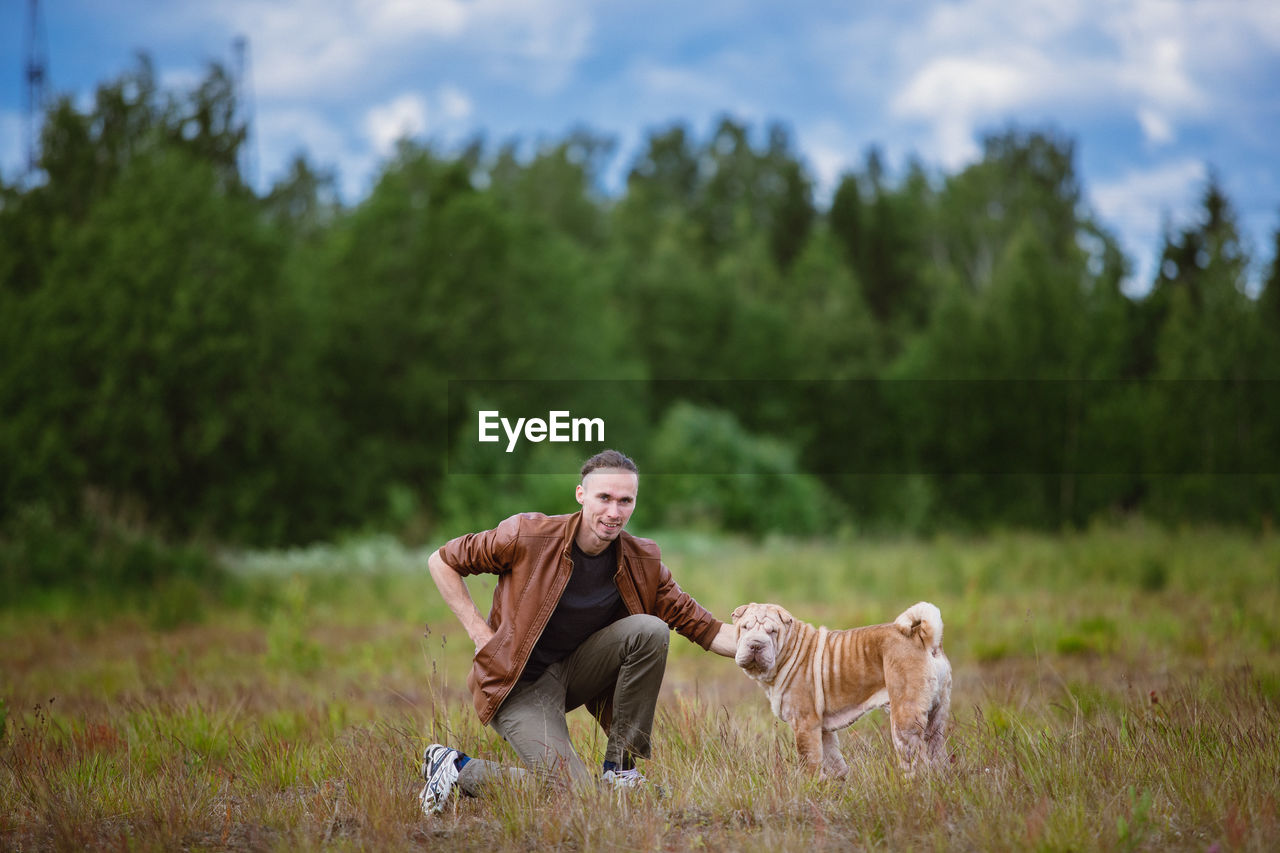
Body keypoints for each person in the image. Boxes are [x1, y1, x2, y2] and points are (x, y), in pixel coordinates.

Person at [420, 449, 737, 813]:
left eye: (625, 501)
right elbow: (441, 561)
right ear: (581, 495)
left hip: (575, 674)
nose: (613, 512)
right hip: (515, 685)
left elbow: (706, 628)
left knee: (650, 630)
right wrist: (480, 634)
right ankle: (458, 769)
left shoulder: (641, 560)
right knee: (578, 797)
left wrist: (776, 642)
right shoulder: (529, 535)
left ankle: (620, 772)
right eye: (604, 498)